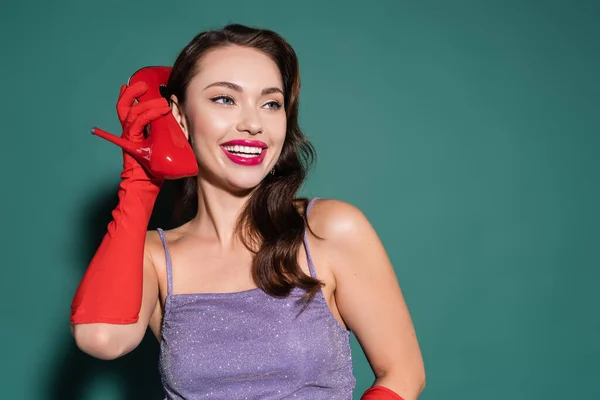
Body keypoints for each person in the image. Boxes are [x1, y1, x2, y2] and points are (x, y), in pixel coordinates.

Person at [69, 24, 425, 400]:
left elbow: (402, 373)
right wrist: (140, 183)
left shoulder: (328, 229)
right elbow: (101, 338)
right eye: (224, 99)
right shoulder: (153, 257)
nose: (253, 124)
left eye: (271, 103)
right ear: (179, 116)